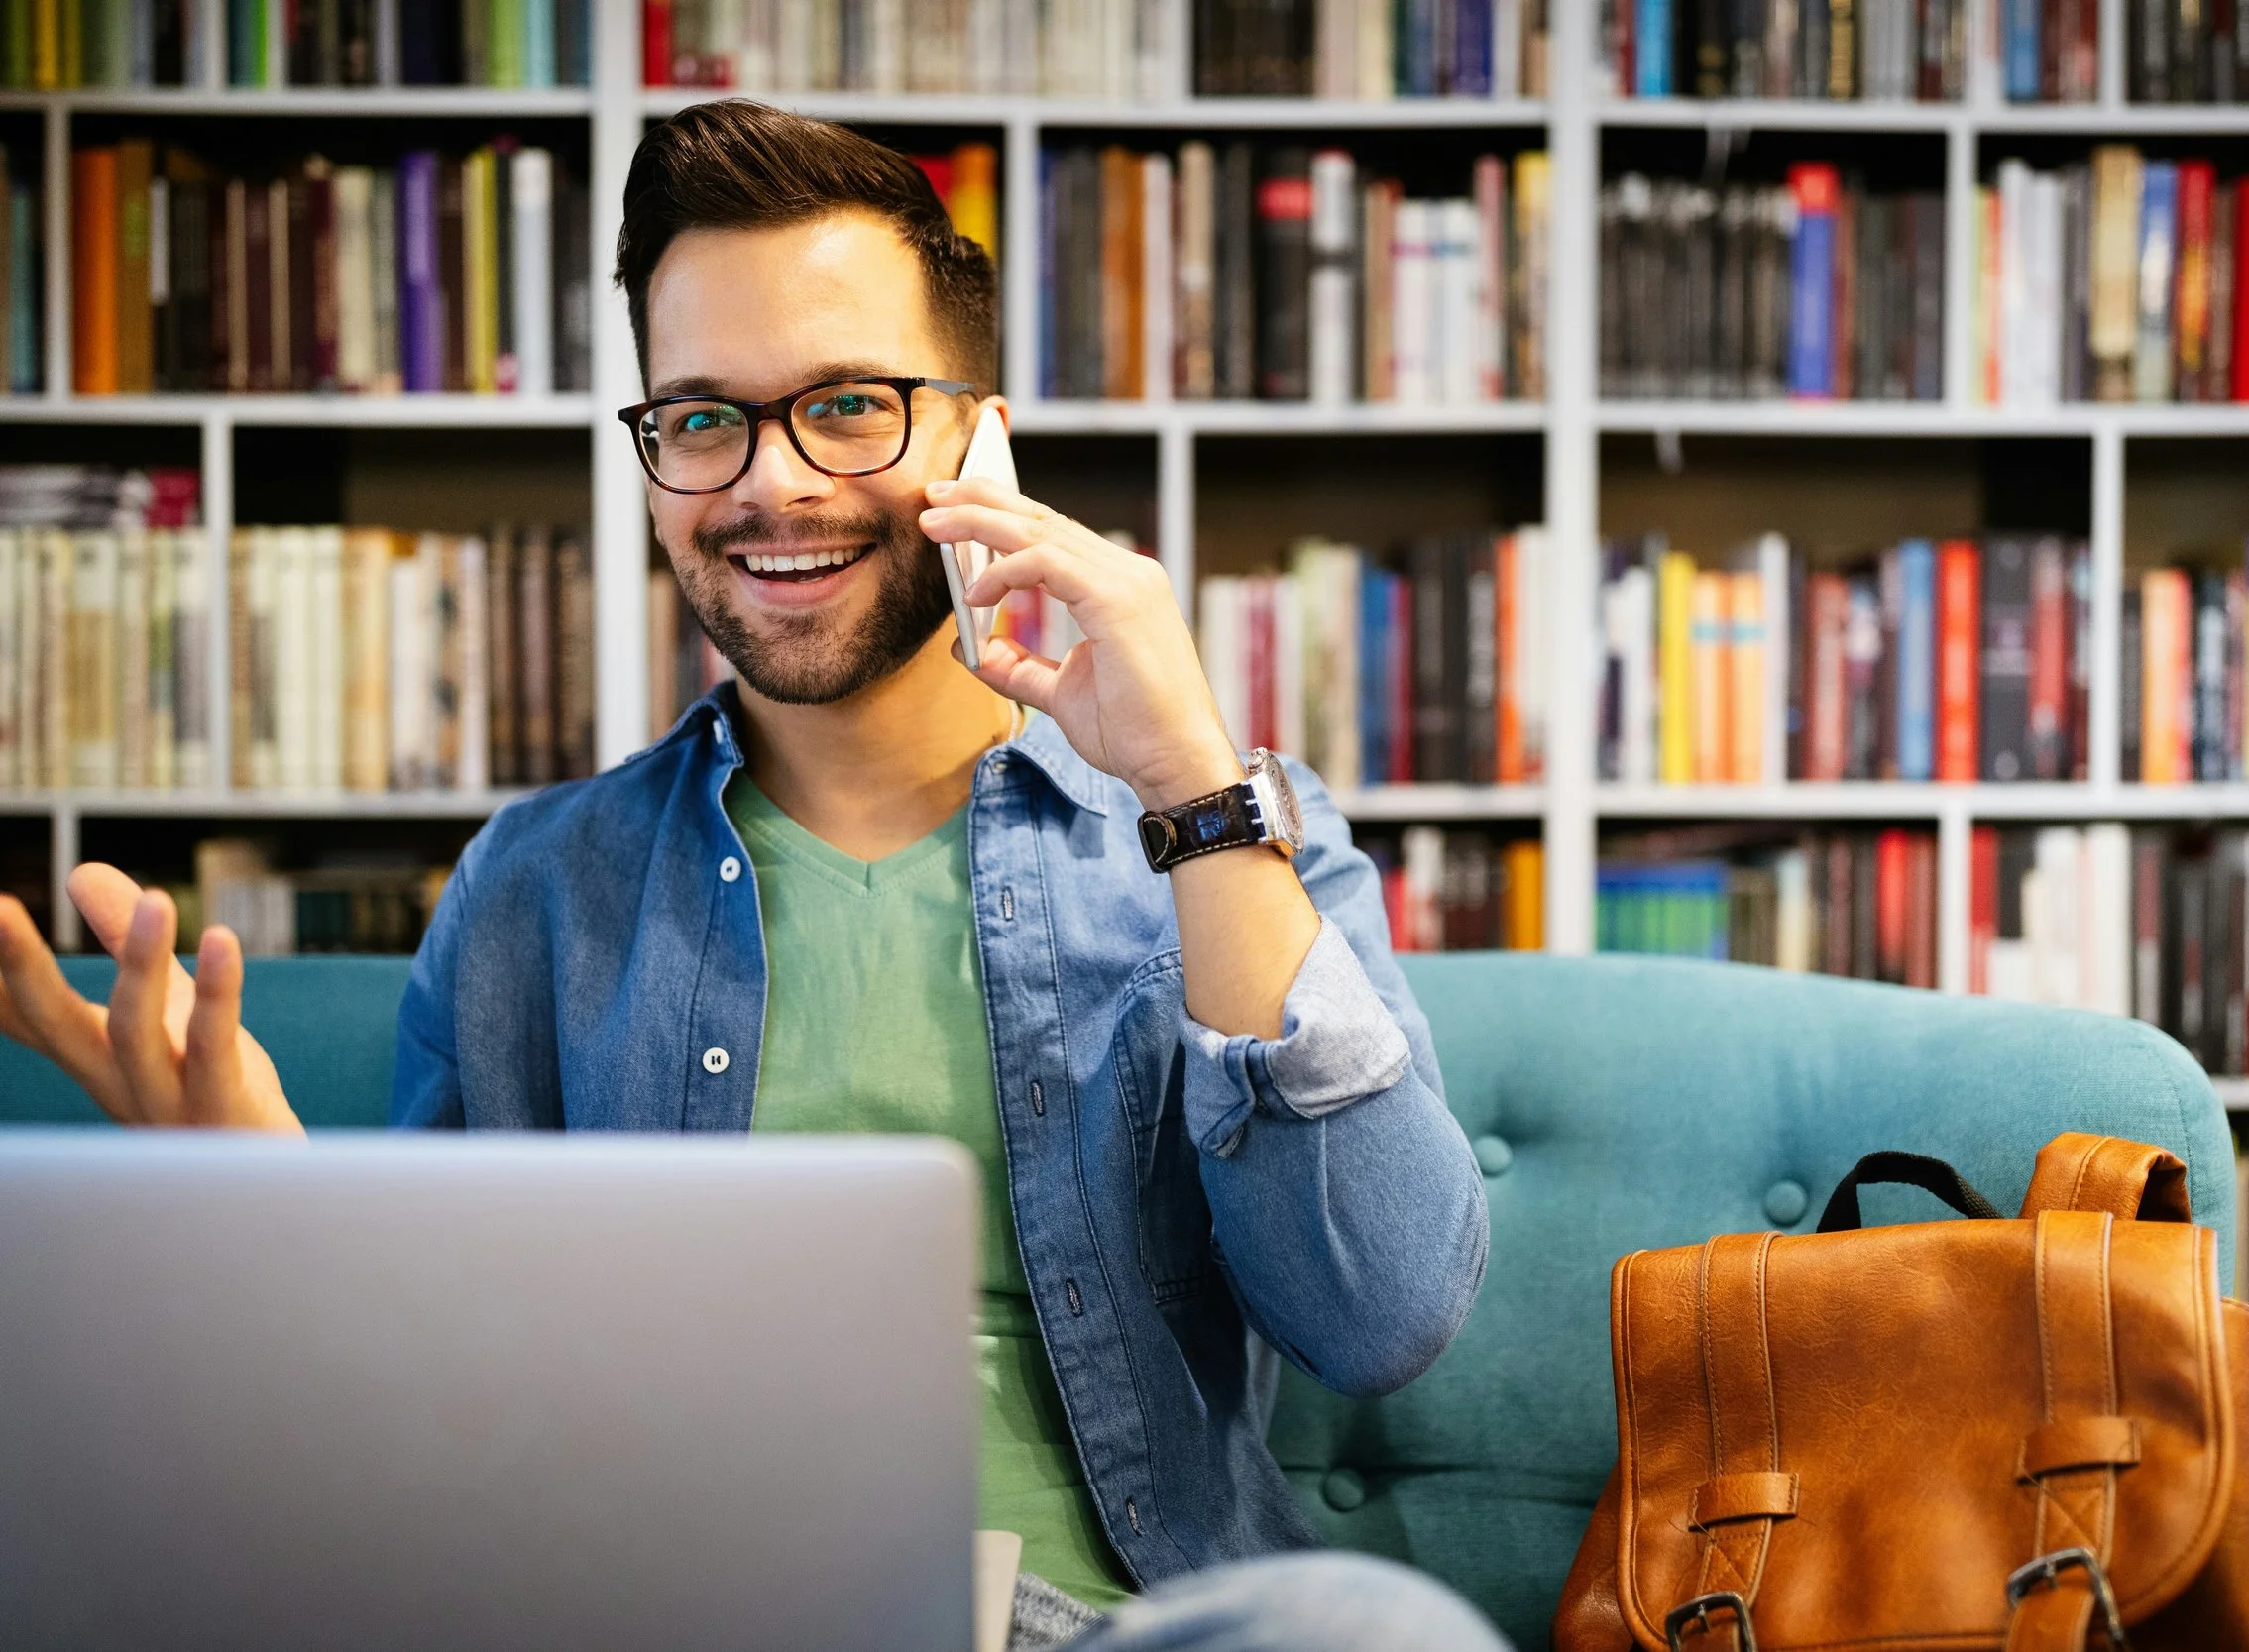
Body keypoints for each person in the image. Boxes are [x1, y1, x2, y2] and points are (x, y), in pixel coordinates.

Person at [0, 102, 1507, 1652]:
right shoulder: (535, 890)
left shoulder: (1234, 836)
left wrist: (1191, 787)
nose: (769, 486)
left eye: (847, 403)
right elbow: (431, 1470)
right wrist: (273, 1209)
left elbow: (1381, 1312)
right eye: (702, 417)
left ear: (980, 437)